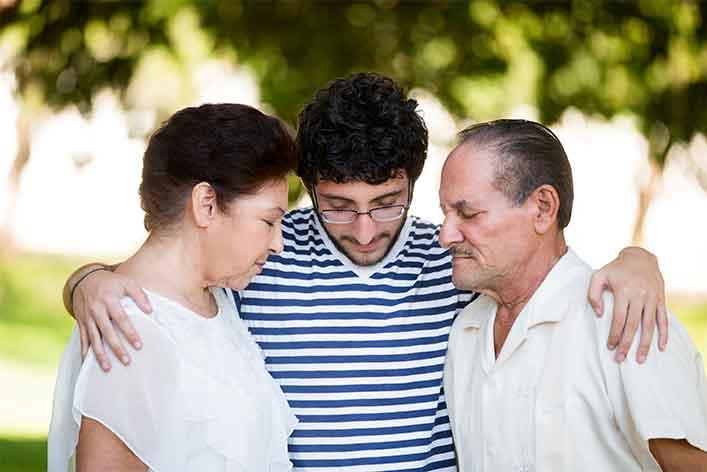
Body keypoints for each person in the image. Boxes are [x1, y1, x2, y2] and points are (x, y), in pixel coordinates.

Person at [63, 73, 668, 471]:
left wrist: (638, 261)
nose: (364, 229)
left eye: (386, 203)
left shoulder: (458, 262)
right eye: (338, 206)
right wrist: (87, 281)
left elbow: (545, 266)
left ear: (412, 182)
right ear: (309, 188)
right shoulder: (260, 257)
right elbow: (170, 291)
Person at [441, 119, 707, 471]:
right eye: (445, 213)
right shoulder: (467, 331)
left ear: (543, 208)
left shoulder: (625, 319)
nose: (445, 235)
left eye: (467, 213)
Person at [48, 104, 298, 471]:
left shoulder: (217, 302)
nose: (279, 243)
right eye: (269, 221)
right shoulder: (130, 333)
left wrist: (83, 279)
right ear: (207, 204)